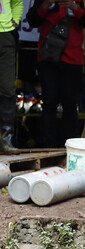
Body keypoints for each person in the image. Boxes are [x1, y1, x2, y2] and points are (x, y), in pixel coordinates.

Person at [27, 0, 85, 148]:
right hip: (48, 58)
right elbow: (32, 20)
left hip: (73, 58)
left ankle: (69, 145)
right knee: (49, 100)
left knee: (70, 102)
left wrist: (75, 8)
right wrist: (46, 4)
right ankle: (47, 145)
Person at [0, 0, 23, 153]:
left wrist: (15, 20)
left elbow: (17, 2)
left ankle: (5, 139)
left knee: (7, 89)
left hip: (5, 36)